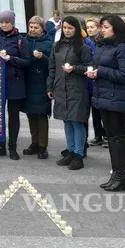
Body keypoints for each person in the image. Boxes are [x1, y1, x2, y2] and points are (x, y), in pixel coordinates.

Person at [88, 15, 125, 192]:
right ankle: (116, 175)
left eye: (106, 27)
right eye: (101, 27)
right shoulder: (103, 46)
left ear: (116, 28)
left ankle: (120, 177)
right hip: (104, 98)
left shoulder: (123, 48)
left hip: (117, 99)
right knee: (112, 138)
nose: (102, 30)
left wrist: (100, 71)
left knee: (118, 139)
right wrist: (94, 72)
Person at [47, 17, 91, 170]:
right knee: (66, 120)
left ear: (76, 29)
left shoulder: (83, 47)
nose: (67, 30)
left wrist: (75, 68)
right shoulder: (56, 46)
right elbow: (52, 68)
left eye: (70, 28)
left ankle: (79, 154)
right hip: (60, 87)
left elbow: (89, 67)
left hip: (77, 89)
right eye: (65, 28)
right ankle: (70, 151)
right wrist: (50, 87)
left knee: (77, 121)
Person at [0, 11, 30, 159]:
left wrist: (10, 58)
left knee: (13, 116)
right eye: (2, 22)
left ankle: (12, 147)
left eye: (7, 22)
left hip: (14, 82)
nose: (4, 24)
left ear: (12, 22)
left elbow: (26, 61)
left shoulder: (20, 39)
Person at [23, 16, 53, 160]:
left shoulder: (48, 43)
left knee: (41, 114)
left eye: (36, 27)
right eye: (31, 27)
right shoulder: (24, 41)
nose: (32, 29)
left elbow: (52, 63)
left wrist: (43, 57)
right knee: (30, 114)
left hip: (41, 81)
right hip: (27, 81)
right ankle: (34, 143)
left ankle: (42, 146)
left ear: (42, 29)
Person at [84, 18, 105, 148]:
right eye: (88, 27)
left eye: (92, 27)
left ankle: (106, 135)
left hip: (98, 79)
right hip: (89, 81)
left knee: (101, 110)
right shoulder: (87, 41)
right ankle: (98, 135)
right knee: (95, 112)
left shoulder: (99, 41)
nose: (90, 29)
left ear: (98, 28)